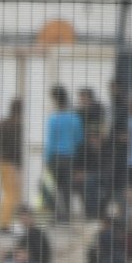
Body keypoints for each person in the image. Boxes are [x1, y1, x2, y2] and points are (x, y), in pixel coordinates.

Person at [43, 86, 83, 218]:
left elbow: (50, 141)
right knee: (67, 187)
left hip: (55, 156)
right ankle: (66, 214)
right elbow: (79, 138)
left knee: (55, 186)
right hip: (70, 156)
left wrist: (47, 159)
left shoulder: (53, 119)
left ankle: (56, 214)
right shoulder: (75, 118)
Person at [0, 99, 24, 228]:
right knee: (11, 194)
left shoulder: (1, 124)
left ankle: (7, 220)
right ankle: (4, 224)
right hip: (9, 163)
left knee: (10, 193)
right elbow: (17, 148)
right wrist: (18, 165)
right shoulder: (17, 126)